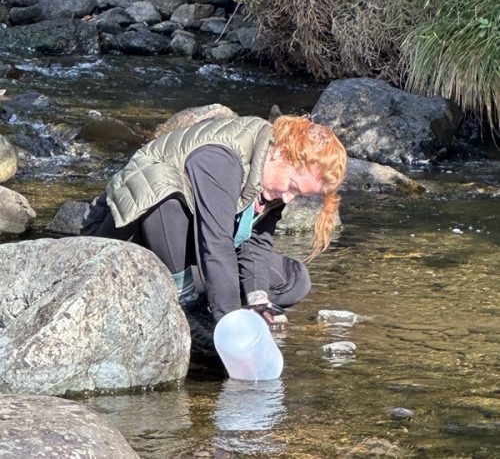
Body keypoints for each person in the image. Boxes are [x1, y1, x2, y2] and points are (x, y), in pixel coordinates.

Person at [82, 114, 347, 353]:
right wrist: (230, 323)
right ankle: (187, 305)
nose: (289, 198)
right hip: (127, 240)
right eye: (292, 186)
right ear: (280, 153)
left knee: (294, 279)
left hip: (189, 252)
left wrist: (258, 300)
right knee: (164, 197)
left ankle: (206, 301)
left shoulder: (270, 179)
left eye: (299, 194)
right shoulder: (222, 157)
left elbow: (254, 245)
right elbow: (216, 243)